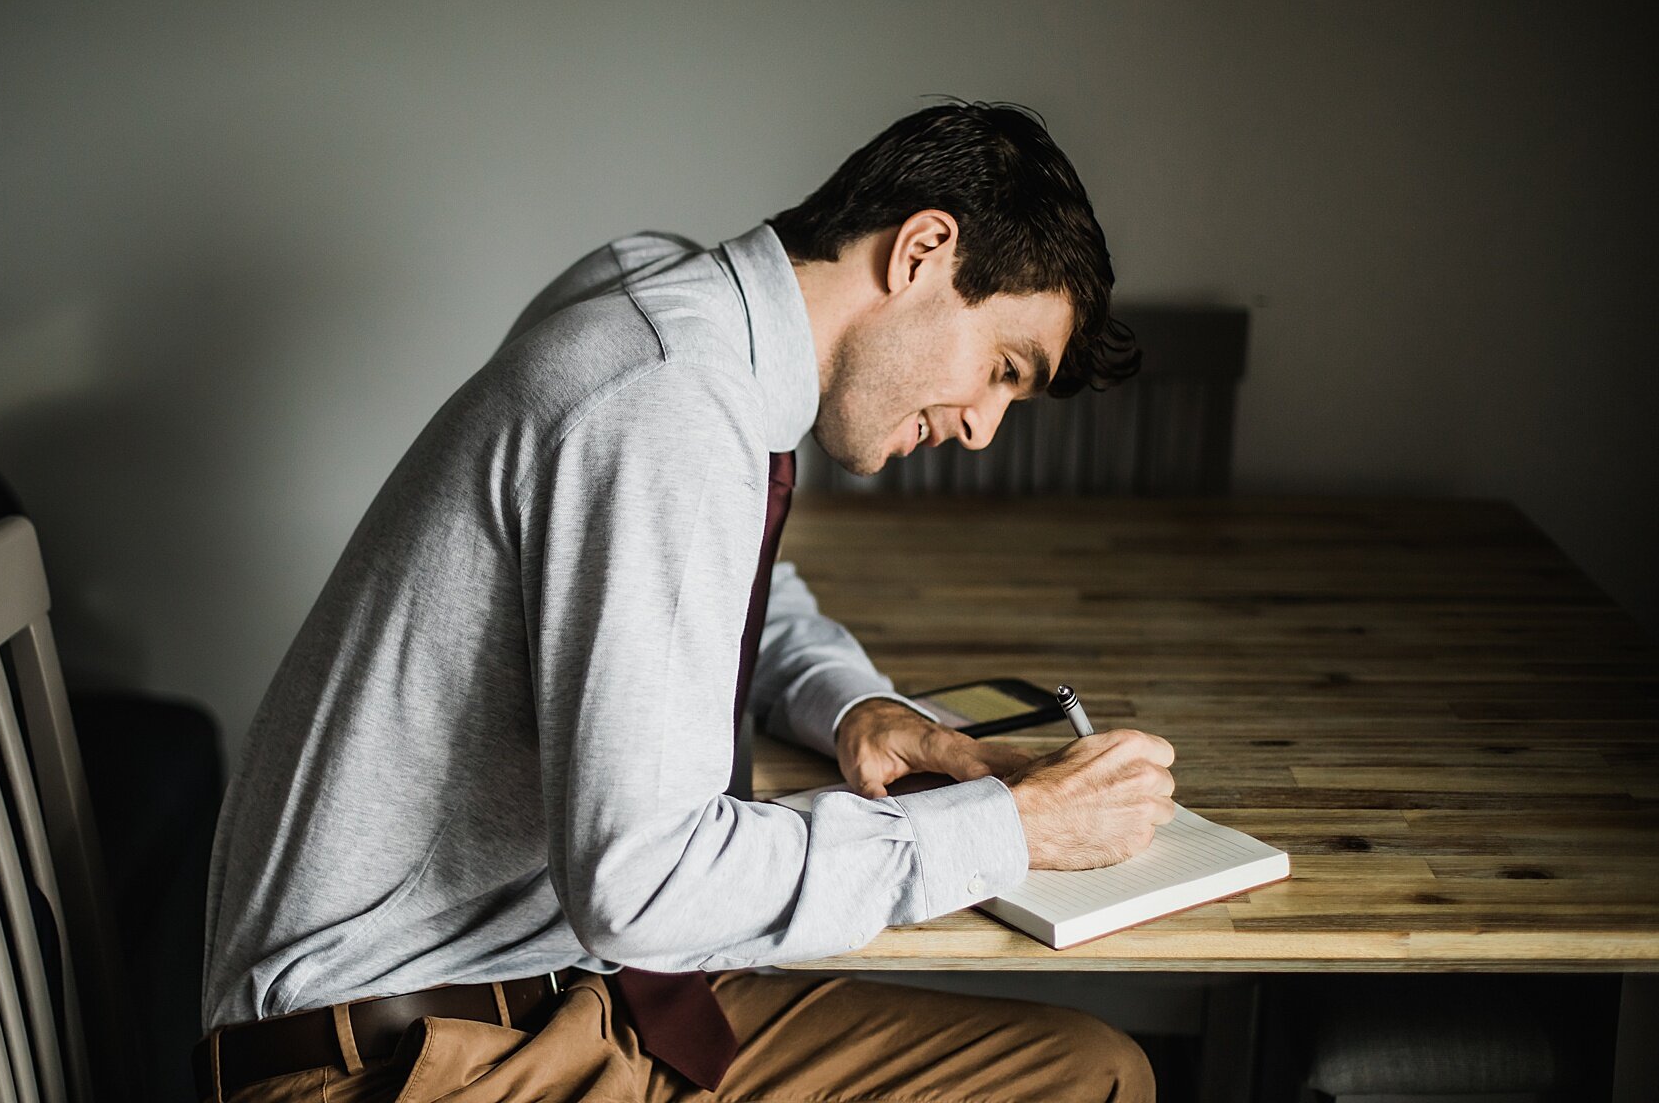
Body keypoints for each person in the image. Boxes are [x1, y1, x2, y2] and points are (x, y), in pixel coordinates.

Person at [200, 101, 1176, 1103]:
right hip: (392, 1059)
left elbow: (706, 583)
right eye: (1002, 370)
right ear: (923, 250)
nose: (982, 427)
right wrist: (1011, 831)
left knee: (1092, 1077)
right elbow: (646, 887)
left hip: (551, 990)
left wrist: (853, 705)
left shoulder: (661, 296)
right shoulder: (664, 401)